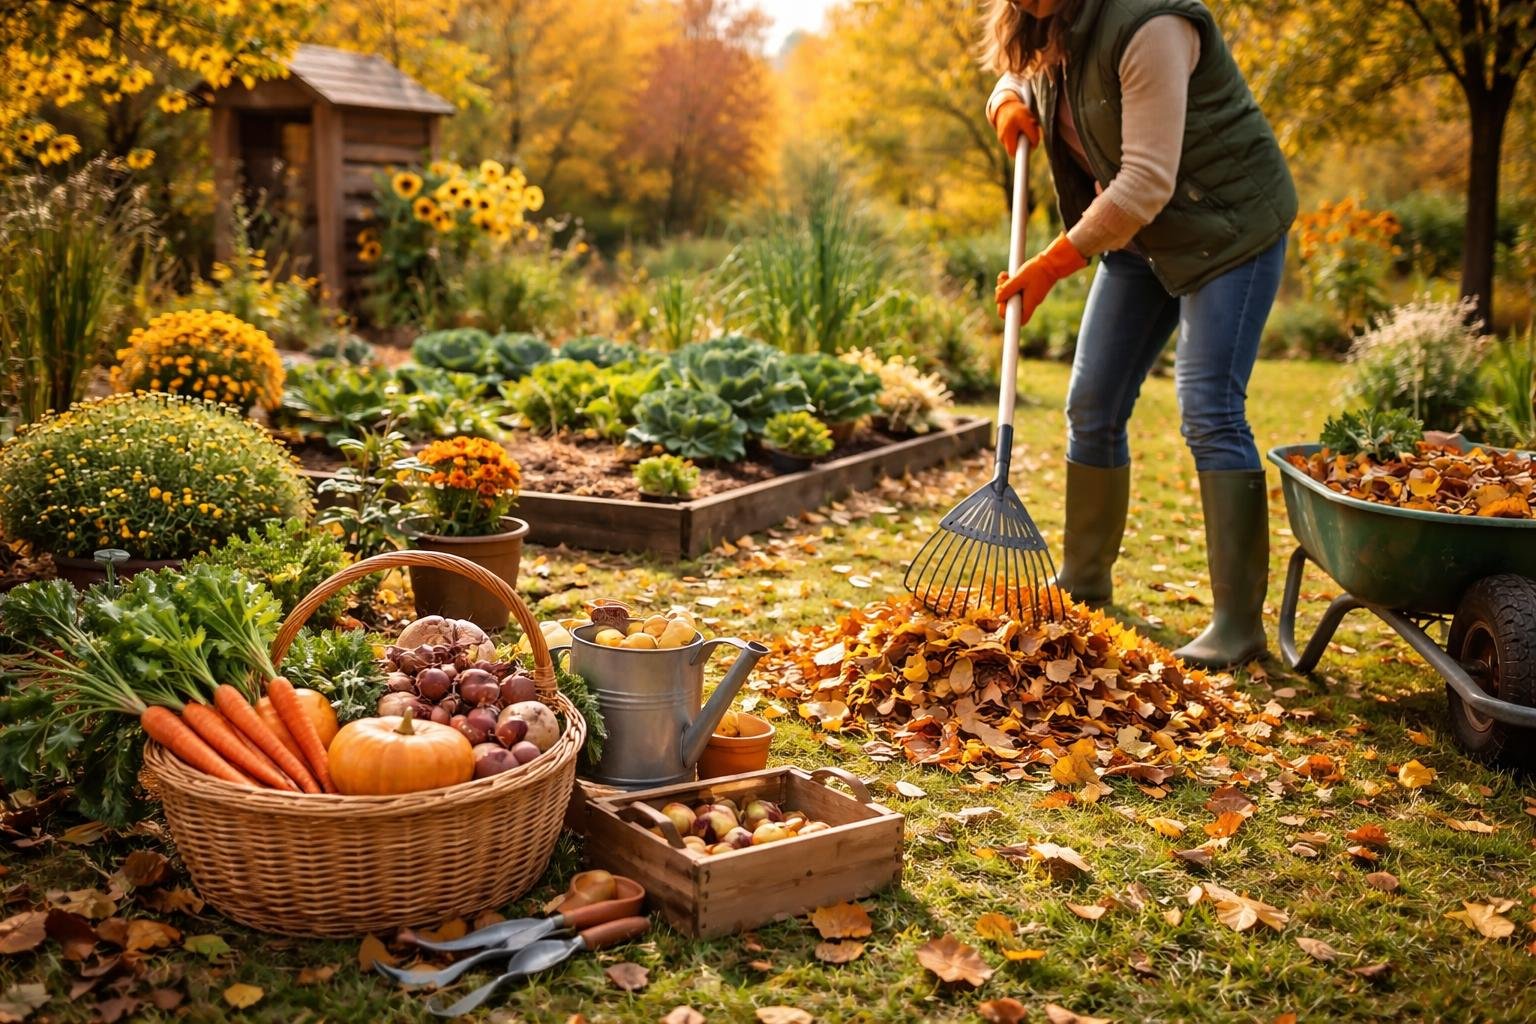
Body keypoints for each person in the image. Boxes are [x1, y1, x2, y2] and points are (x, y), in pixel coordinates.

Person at [982, 0, 1296, 667]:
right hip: (1141, 240)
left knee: (1209, 407)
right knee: (1092, 403)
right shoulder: (1044, 20)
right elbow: (1018, 77)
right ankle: (1085, 577)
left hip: (1225, 230)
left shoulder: (1150, 24)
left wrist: (1051, 264)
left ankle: (1237, 624)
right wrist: (1006, 101)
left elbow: (1148, 181)